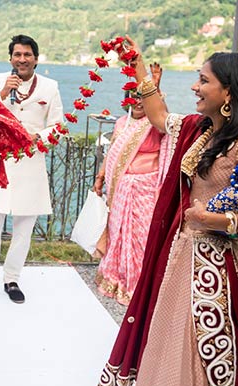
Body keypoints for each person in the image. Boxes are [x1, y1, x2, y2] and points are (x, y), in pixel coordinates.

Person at [98, 41, 238, 386]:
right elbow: (157, 117)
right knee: (169, 339)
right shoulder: (201, 130)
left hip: (215, 270)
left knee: (200, 347)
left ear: (228, 90)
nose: (194, 87)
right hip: (181, 255)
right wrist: (138, 66)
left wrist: (218, 219)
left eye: (203, 80)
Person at [0, 34, 62, 304]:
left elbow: (58, 126)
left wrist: (39, 139)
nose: (22, 59)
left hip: (30, 162)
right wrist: (1, 95)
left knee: (24, 226)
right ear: (10, 58)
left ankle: (12, 278)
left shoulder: (50, 86)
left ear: (36, 59)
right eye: (17, 55)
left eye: (27, 55)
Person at [91, 64, 165, 305]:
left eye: (144, 97)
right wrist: (101, 177)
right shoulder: (122, 123)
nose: (139, 102)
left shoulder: (154, 125)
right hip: (121, 190)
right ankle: (118, 281)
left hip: (146, 191)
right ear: (127, 99)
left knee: (142, 239)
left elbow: (162, 113)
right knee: (120, 236)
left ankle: (141, 286)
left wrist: (154, 86)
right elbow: (113, 151)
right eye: (135, 96)